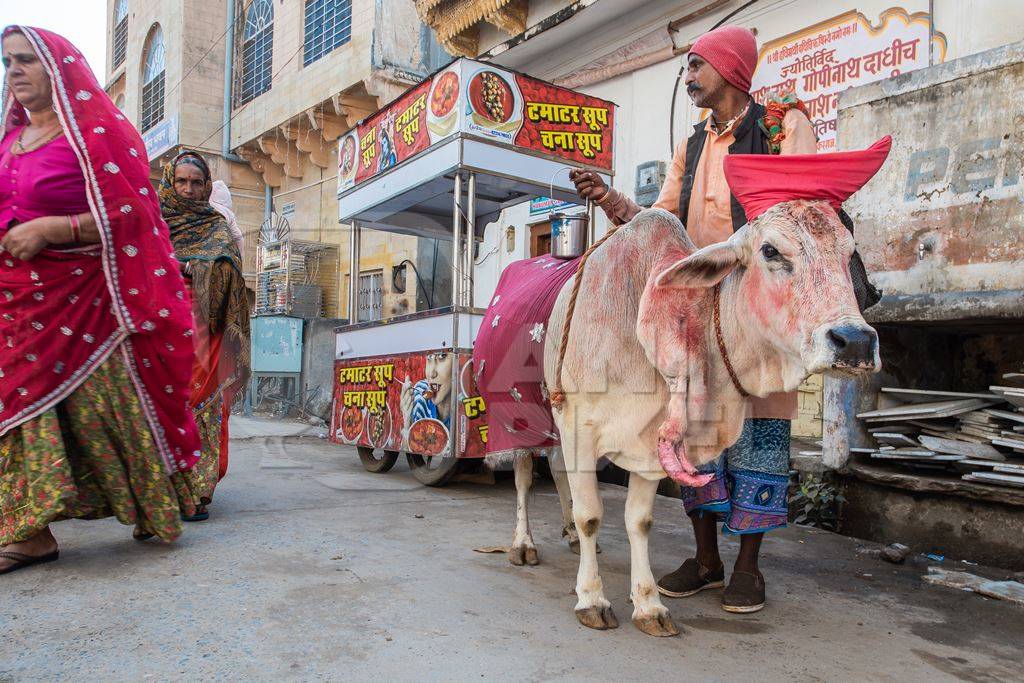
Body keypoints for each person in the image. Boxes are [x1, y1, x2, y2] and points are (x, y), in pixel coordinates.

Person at [570, 25, 816, 613]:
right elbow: (658, 226)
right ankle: (706, 561)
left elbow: (806, 211)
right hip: (700, 314)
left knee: (759, 433)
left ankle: (748, 569)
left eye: (697, 65)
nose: (689, 76)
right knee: (694, 436)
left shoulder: (783, 127)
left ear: (730, 70)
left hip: (759, 316)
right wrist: (608, 200)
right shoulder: (692, 146)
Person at [0, 26, 201, 574]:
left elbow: (135, 215)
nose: (14, 71)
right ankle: (29, 527)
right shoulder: (8, 142)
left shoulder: (96, 137)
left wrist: (52, 228)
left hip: (86, 305)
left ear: (57, 68)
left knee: (101, 412)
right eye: (7, 62)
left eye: (25, 61)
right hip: (18, 302)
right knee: (17, 407)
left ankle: (150, 501)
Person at [159, 150, 250, 522]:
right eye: (181, 181)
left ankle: (197, 491)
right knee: (161, 407)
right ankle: (159, 493)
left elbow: (232, 271)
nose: (189, 189)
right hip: (160, 330)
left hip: (205, 333)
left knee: (203, 408)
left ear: (207, 187)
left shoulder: (215, 225)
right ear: (169, 182)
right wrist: (177, 268)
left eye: (197, 183)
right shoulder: (154, 223)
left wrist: (193, 269)